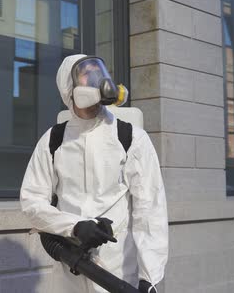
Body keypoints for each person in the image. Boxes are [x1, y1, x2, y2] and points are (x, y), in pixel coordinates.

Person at [20, 54, 168, 293]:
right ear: (70, 88)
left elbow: (150, 211)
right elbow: (31, 202)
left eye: (98, 70)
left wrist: (149, 278)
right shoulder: (53, 140)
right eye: (86, 73)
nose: (96, 78)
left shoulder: (130, 138)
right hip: (70, 270)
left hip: (119, 272)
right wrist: (75, 226)